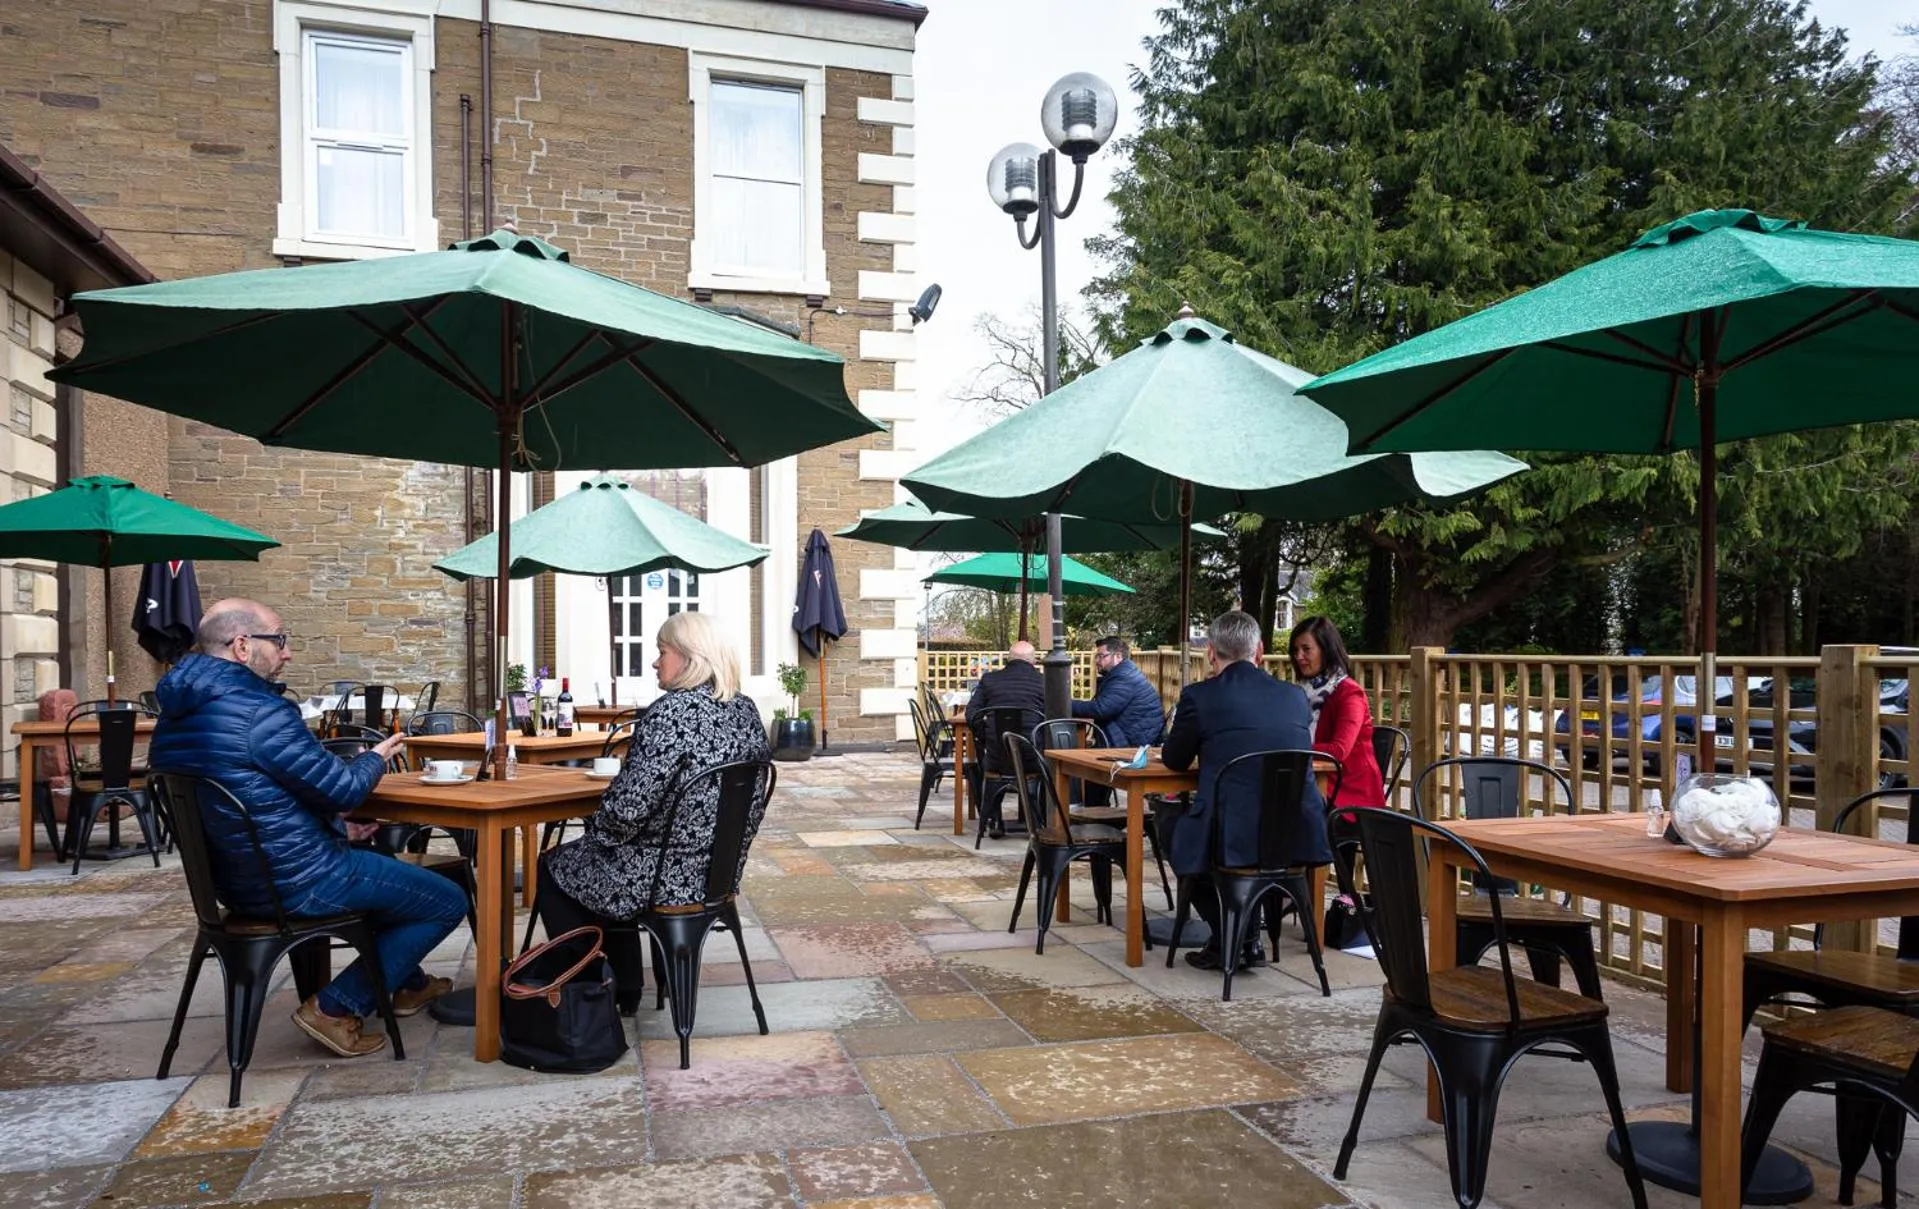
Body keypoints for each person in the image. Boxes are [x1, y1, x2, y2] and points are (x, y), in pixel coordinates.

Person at [150, 599, 466, 1058]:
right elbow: (341, 789)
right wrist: (373, 759)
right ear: (242, 646)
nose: (287, 653)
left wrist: (332, 827)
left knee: (380, 862)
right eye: (279, 640)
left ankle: (407, 984)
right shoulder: (260, 712)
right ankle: (336, 1007)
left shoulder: (175, 714)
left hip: (233, 884)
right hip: (296, 880)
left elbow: (251, 798)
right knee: (446, 900)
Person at [538, 611, 770, 1011]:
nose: (655, 662)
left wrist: (597, 830)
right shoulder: (745, 711)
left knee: (557, 866)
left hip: (663, 877)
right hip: (716, 874)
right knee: (599, 862)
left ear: (690, 656)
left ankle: (594, 997)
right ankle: (624, 989)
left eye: (662, 651)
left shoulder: (670, 713)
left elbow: (626, 811)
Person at [1161, 610, 1329, 971]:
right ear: (1260, 652)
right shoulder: (1293, 697)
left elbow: (1175, 760)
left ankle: (1228, 936)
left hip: (1232, 836)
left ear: (1210, 652)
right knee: (1222, 834)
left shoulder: (1199, 697)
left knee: (1170, 827)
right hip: (1294, 833)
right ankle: (1248, 938)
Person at [1291, 615, 1386, 807]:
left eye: (1306, 649)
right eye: (1295, 650)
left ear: (1325, 650)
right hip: (1314, 780)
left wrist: (1290, 748)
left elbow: (1338, 750)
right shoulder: (1300, 691)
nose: (1298, 656)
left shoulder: (1350, 693)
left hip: (1349, 792)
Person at [1071, 635, 1166, 807]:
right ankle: (1096, 813)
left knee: (1089, 766)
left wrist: (1063, 703)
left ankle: (1096, 815)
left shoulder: (1124, 677)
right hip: (1131, 737)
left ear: (1118, 656)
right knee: (1089, 764)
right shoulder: (1122, 674)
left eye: (1101, 656)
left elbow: (1102, 709)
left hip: (1136, 745)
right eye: (1096, 656)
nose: (1097, 661)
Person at [964, 640, 1046, 838]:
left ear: (1009, 659)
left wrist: (984, 737)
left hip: (996, 758)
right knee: (1052, 763)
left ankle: (994, 820)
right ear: (1033, 661)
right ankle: (1039, 821)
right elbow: (1056, 715)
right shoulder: (1044, 681)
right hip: (1032, 758)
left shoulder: (990, 680)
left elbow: (971, 713)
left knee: (975, 766)